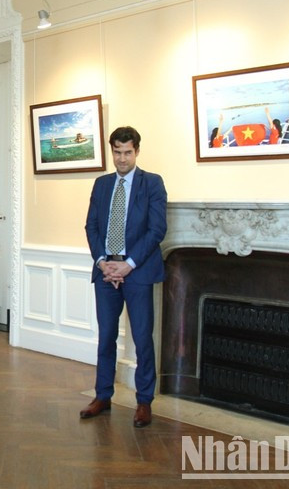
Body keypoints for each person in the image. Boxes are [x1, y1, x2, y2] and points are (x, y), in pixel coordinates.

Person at [81, 126, 167, 428]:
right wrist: (104, 262)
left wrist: (128, 264)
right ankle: (102, 395)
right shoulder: (102, 184)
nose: (121, 159)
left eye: (127, 152)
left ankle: (144, 402)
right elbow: (91, 227)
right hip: (106, 272)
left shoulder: (152, 183)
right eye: (117, 152)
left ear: (137, 151)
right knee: (106, 337)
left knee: (142, 338)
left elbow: (156, 230)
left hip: (138, 271)